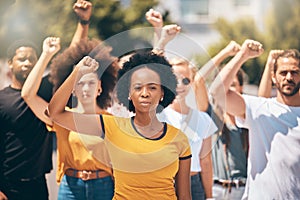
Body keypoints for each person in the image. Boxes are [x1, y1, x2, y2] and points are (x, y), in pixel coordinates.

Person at [48, 52, 192, 200]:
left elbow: (184, 195)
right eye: (137, 87)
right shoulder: (111, 126)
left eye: (152, 88)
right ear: (128, 92)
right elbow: (55, 113)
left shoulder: (179, 139)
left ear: (163, 92)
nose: (145, 93)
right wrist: (77, 72)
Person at [22, 35, 118, 199]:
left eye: (91, 83)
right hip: (70, 187)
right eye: (80, 83)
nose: (86, 88)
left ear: (100, 88)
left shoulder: (111, 121)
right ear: (73, 88)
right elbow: (28, 95)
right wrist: (46, 54)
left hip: (104, 186)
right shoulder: (62, 117)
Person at [210, 39, 300, 199]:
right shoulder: (259, 108)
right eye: (283, 72)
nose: (288, 77)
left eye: (294, 72)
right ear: (273, 77)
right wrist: (242, 55)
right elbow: (217, 93)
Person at [0, 38, 58, 200]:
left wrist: (83, 23)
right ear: (10, 63)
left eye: (32, 59)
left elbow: (70, 59)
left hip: (38, 184)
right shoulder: (2, 99)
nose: (27, 63)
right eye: (21, 59)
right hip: (8, 186)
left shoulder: (44, 93)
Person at [212, 69, 248, 200]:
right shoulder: (213, 118)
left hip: (242, 190)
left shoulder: (249, 119)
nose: (227, 92)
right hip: (217, 190)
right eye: (224, 87)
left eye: (232, 85)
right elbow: (198, 83)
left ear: (241, 87)